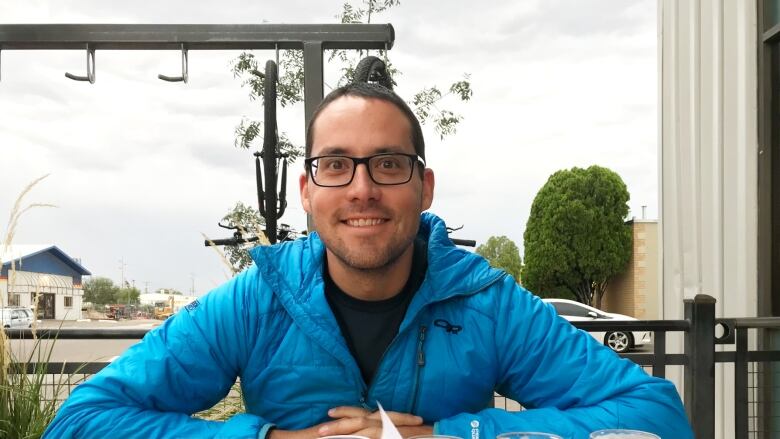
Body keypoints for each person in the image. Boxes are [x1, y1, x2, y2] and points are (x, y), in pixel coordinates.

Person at [44, 82, 693, 439]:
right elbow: (82, 421)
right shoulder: (256, 300)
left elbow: (655, 415)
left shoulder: (485, 304)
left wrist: (449, 438)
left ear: (424, 185)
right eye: (335, 165)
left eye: (387, 163)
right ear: (307, 190)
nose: (361, 188)